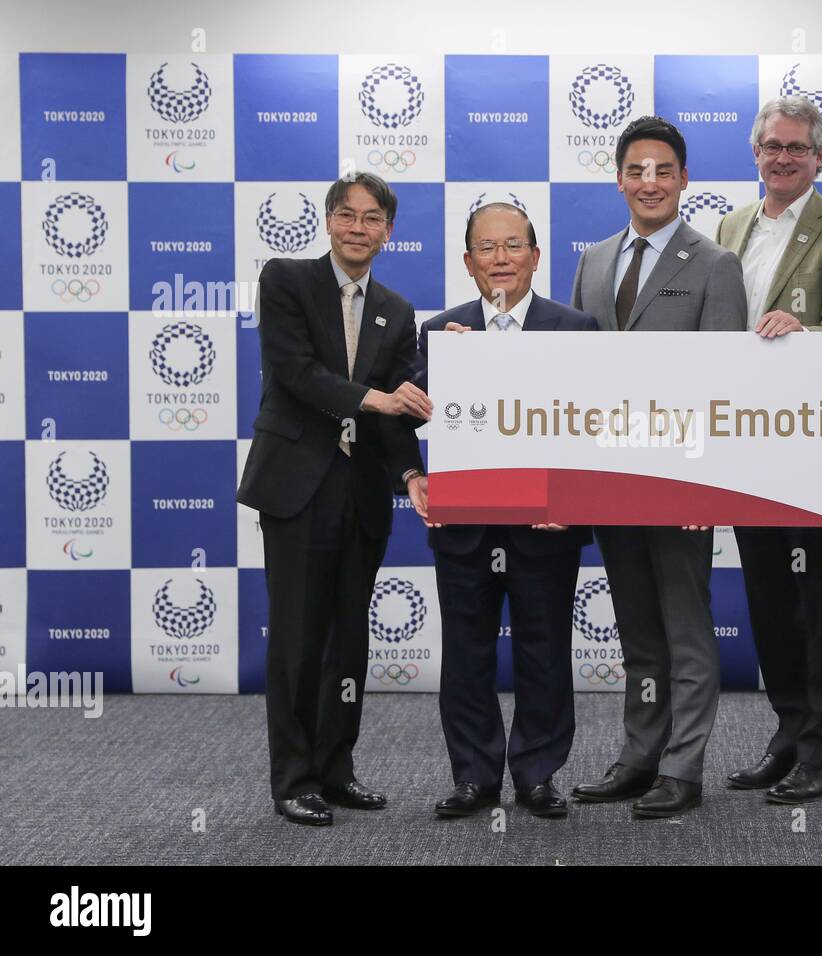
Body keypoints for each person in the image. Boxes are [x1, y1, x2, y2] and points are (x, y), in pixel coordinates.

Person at [237, 172, 432, 826]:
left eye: (372, 218)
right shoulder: (287, 280)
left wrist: (411, 476)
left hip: (362, 494)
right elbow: (294, 374)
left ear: (388, 231)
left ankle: (336, 769)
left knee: (348, 639)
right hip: (297, 486)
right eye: (347, 215)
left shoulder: (398, 312)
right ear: (328, 221)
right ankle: (293, 779)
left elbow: (398, 417)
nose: (358, 228)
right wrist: (375, 397)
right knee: (297, 637)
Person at [569, 115, 747, 818]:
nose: (649, 182)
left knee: (684, 625)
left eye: (662, 171)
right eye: (636, 170)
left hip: (679, 482)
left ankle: (684, 765)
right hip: (611, 478)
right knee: (638, 629)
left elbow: (725, 383)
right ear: (619, 179)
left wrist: (709, 479)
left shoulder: (714, 264)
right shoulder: (593, 260)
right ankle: (640, 756)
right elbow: (573, 370)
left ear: (683, 181)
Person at [407, 203, 598, 820]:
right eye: (486, 248)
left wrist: (571, 501)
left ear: (536, 256)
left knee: (545, 649)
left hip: (547, 524)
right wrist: (416, 473)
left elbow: (594, 427)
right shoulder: (440, 332)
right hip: (464, 525)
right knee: (467, 651)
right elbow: (406, 412)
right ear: (468, 263)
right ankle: (473, 775)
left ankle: (539, 773)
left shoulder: (576, 327)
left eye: (513, 245)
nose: (500, 259)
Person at [715, 96, 822, 803]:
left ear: (820, 157)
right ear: (756, 153)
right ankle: (787, 736)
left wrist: (804, 333)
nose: (783, 158)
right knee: (771, 601)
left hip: (820, 446)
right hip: (747, 444)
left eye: (797, 149)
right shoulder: (731, 224)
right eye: (772, 147)